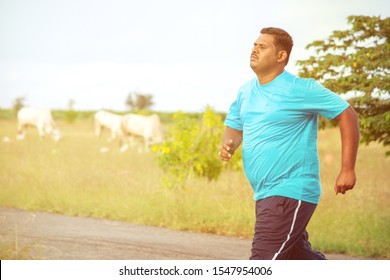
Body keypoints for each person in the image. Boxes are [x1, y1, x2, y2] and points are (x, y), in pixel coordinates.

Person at [219, 27, 360, 260]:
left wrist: (347, 169)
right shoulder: (246, 91)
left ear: (281, 56)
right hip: (264, 192)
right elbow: (235, 124)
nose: (254, 49)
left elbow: (347, 114)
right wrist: (229, 145)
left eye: (262, 46)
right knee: (298, 258)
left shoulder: (301, 89)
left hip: (289, 190)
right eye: (254, 45)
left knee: (263, 263)